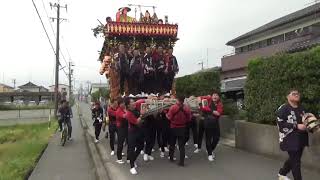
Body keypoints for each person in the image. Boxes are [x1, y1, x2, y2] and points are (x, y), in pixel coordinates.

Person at [276, 89, 308, 180]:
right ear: (288, 96)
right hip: (289, 139)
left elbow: (307, 120)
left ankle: (282, 173)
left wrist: (312, 125)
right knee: (296, 163)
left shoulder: (302, 108)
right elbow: (281, 124)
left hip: (301, 138)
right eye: (294, 94)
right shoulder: (283, 109)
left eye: (298, 93)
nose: (297, 95)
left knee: (294, 159)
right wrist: (296, 126)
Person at [197, 91, 223, 161]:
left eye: (216, 95)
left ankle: (210, 149)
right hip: (207, 122)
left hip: (215, 123)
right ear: (211, 96)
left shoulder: (219, 104)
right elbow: (199, 98)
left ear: (219, 97)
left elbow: (218, 113)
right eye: (214, 95)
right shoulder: (208, 99)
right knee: (208, 138)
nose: (215, 96)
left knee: (216, 138)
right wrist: (200, 105)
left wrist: (209, 110)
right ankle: (210, 154)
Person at [166, 95, 192, 166]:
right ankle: (182, 162)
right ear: (183, 100)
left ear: (177, 100)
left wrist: (166, 115)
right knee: (181, 146)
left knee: (172, 144)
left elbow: (169, 117)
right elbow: (189, 119)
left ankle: (171, 157)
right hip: (182, 128)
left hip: (173, 127)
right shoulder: (187, 108)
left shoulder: (173, 107)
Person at [125, 98, 145, 175]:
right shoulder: (128, 113)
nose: (134, 103)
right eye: (132, 102)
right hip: (132, 133)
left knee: (141, 146)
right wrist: (142, 115)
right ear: (128, 105)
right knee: (131, 149)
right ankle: (132, 167)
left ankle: (132, 159)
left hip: (139, 131)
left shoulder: (136, 109)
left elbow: (140, 120)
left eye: (134, 101)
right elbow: (136, 122)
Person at [115, 97, 128, 164]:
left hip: (125, 127)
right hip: (121, 128)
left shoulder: (123, 109)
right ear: (120, 104)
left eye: (124, 103)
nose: (124, 104)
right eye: (122, 103)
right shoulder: (118, 111)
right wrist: (127, 111)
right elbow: (125, 116)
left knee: (124, 142)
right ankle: (119, 158)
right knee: (120, 143)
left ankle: (127, 157)